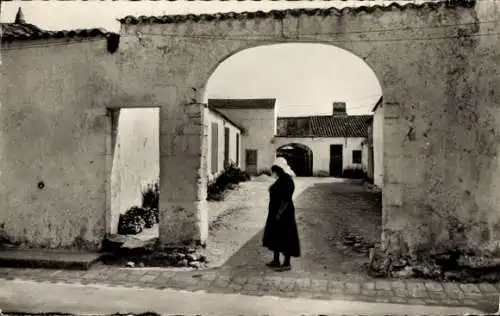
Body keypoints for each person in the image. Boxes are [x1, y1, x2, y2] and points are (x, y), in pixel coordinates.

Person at [262, 157, 301, 272]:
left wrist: (278, 214)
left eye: (276, 169)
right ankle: (276, 260)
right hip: (276, 212)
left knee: (286, 237)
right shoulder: (281, 179)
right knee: (275, 236)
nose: (275, 172)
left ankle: (287, 263)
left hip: (284, 214)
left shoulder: (288, 181)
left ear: (281, 169)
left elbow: (286, 200)